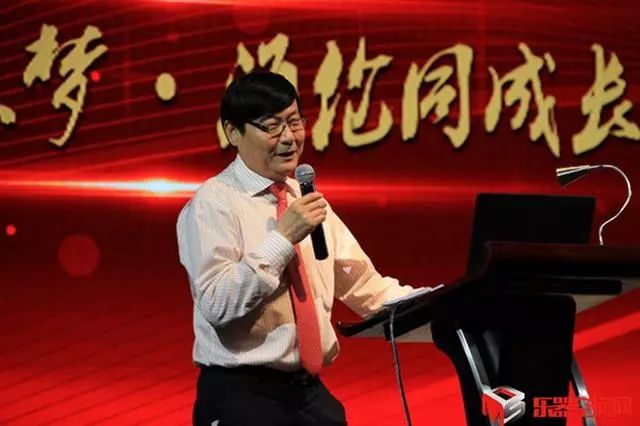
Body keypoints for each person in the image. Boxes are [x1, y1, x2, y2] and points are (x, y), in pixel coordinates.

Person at [177, 71, 416, 426]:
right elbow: (216, 303)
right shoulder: (214, 203)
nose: (289, 137)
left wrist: (445, 303)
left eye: (294, 122)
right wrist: (283, 239)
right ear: (233, 132)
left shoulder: (303, 198)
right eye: (272, 126)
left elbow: (366, 288)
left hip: (307, 393)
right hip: (242, 395)